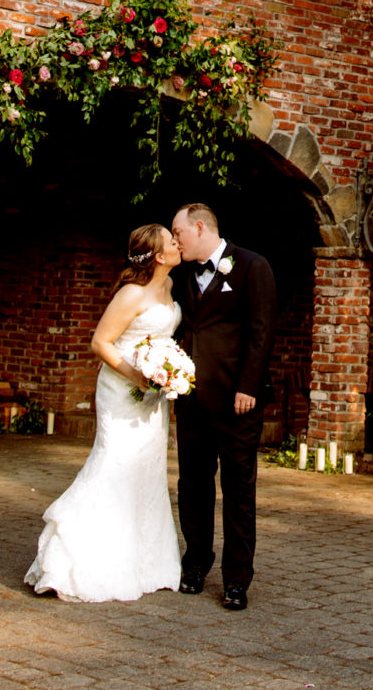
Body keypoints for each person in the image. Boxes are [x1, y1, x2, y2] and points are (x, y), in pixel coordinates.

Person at [23, 224, 186, 602]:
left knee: (145, 467)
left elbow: (161, 339)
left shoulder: (169, 287)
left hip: (151, 395)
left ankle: (143, 564)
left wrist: (167, 370)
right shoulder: (132, 294)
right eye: (171, 240)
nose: (178, 243)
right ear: (159, 256)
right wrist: (138, 375)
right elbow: (100, 341)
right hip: (121, 389)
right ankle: (72, 561)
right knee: (114, 462)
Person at [170, 201, 275, 611]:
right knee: (192, 487)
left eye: (178, 233)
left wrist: (248, 385)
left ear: (199, 228)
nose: (175, 241)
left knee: (237, 489)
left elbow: (262, 330)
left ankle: (236, 580)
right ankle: (195, 563)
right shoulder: (181, 276)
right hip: (191, 399)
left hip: (238, 403)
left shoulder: (252, 266)